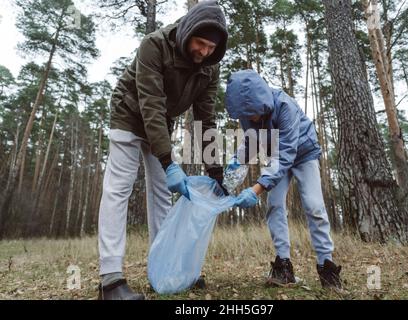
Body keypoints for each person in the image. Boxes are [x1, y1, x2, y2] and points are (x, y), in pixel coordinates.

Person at [97, 1, 228, 300]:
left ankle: (166, 268)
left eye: (211, 47)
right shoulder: (154, 45)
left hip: (161, 122)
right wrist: (169, 161)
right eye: (200, 43)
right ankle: (111, 280)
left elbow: (205, 119)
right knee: (119, 189)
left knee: (162, 195)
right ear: (188, 32)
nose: (204, 52)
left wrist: (214, 168)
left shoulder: (210, 67)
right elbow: (151, 104)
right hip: (129, 112)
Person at [226, 69, 342, 289]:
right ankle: (283, 266)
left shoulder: (284, 106)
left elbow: (287, 153)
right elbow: (251, 142)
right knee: (274, 205)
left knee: (314, 205)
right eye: (245, 115)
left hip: (302, 153)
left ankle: (327, 266)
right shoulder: (246, 115)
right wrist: (235, 164)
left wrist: (257, 188)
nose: (250, 118)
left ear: (262, 100)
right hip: (276, 156)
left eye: (253, 113)